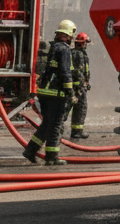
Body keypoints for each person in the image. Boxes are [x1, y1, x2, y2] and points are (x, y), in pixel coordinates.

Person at [24, 19, 76, 165]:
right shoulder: (64, 49)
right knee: (55, 125)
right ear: (67, 35)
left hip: (44, 93)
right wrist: (70, 93)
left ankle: (31, 150)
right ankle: (51, 157)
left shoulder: (51, 48)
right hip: (56, 94)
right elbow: (65, 73)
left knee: (47, 124)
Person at [68, 32, 92, 140]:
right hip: (77, 88)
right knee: (78, 108)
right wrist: (79, 86)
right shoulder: (78, 54)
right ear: (82, 43)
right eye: (85, 43)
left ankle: (77, 131)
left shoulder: (80, 54)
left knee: (79, 109)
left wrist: (86, 83)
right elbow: (77, 72)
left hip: (79, 86)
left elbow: (84, 71)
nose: (86, 45)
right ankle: (75, 131)